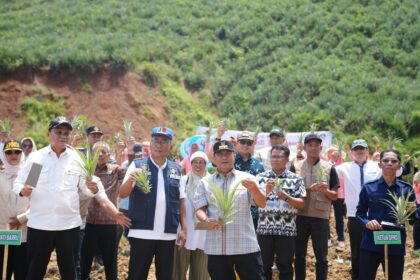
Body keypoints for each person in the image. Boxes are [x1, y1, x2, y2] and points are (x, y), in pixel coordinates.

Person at [13, 116, 103, 280]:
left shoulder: (77, 159)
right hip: (40, 224)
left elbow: (84, 187)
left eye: (66, 133)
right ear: (49, 134)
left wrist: (91, 189)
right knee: (34, 271)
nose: (63, 136)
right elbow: (21, 184)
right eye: (58, 132)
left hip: (68, 226)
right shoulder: (38, 158)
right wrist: (23, 190)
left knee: (70, 272)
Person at [120, 126, 187, 280]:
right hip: (141, 232)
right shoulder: (137, 165)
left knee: (165, 276)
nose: (159, 145)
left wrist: (184, 229)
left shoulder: (176, 170)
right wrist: (131, 179)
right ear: (150, 144)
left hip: (167, 235)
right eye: (156, 141)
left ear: (170, 145)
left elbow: (181, 201)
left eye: (164, 141)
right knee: (137, 275)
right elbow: (123, 194)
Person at [193, 140, 266, 280]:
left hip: (245, 245)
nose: (224, 157)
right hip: (217, 247)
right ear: (214, 158)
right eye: (220, 154)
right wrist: (205, 219)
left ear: (234, 155)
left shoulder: (247, 179)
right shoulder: (206, 182)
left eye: (228, 153)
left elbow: (262, 203)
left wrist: (254, 188)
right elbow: (199, 209)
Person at [356, 149, 416, 280]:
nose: (389, 163)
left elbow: (412, 220)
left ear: (400, 165)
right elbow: (360, 213)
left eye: (394, 161)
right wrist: (367, 222)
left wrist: (412, 211)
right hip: (371, 242)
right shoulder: (368, 187)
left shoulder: (406, 189)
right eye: (386, 160)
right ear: (380, 164)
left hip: (395, 243)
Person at [291, 133, 340, 280]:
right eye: (310, 145)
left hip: (320, 218)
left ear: (321, 147)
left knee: (321, 257)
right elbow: (290, 192)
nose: (313, 148)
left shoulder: (329, 168)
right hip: (299, 216)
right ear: (305, 147)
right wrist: (307, 189)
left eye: (316, 145)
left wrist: (326, 190)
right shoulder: (296, 166)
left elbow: (335, 195)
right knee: (299, 255)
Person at [80, 142, 130, 280]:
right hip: (88, 223)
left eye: (104, 152)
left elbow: (130, 174)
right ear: (91, 154)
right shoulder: (85, 171)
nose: (100, 155)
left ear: (109, 155)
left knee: (110, 262)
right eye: (97, 152)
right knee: (85, 260)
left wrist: (128, 152)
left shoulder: (115, 170)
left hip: (109, 224)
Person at [256, 145, 306, 280]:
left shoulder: (296, 179)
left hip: (287, 230)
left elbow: (302, 204)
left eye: (279, 157)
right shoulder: (261, 177)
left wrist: (286, 197)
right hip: (264, 229)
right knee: (263, 267)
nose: (275, 159)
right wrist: (265, 192)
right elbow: (255, 202)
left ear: (287, 159)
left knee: (286, 267)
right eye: (273, 156)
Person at [335, 139, 382, 280]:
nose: (360, 151)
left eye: (362, 148)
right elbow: (326, 172)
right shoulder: (344, 167)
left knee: (377, 250)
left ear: (368, 151)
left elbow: (397, 173)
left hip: (376, 215)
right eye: (356, 149)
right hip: (355, 216)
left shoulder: (378, 166)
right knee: (357, 251)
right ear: (352, 152)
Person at [173, 151, 210, 280]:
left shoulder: (211, 182)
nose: (198, 165)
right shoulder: (183, 181)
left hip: (205, 234)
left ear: (206, 164)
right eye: (195, 162)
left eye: (201, 162)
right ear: (191, 163)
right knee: (178, 270)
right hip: (184, 231)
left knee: (202, 273)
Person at [0, 140, 29, 280]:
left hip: (24, 233)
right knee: (3, 272)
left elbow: (41, 203)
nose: (13, 155)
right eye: (9, 152)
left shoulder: (32, 174)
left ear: (22, 153)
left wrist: (22, 218)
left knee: (22, 273)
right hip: (3, 232)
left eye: (17, 151)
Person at [234, 131, 265, 229]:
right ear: (237, 143)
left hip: (254, 213)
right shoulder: (230, 161)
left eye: (249, 143)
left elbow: (262, 188)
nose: (245, 145)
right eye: (242, 142)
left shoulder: (258, 164)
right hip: (233, 211)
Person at [324, 145, 346, 249]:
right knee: (326, 217)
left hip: (339, 194)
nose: (333, 154)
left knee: (339, 217)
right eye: (331, 152)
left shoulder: (341, 163)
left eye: (335, 152)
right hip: (327, 193)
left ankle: (341, 239)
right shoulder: (325, 163)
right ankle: (327, 238)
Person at [413, 171, 420, 256]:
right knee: (418, 225)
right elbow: (415, 190)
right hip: (419, 204)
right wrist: (417, 185)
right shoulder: (418, 174)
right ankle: (417, 247)